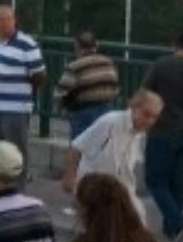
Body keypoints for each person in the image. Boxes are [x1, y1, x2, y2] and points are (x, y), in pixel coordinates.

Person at [61, 90, 161, 220]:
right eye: (146, 114)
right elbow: (77, 146)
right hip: (97, 189)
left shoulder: (139, 133)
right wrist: (69, 177)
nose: (150, 121)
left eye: (155, 117)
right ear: (133, 107)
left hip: (120, 191)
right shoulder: (110, 123)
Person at [0, 4, 45, 171]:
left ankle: (17, 186)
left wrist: (20, 90)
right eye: (1, 20)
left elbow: (39, 76)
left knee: (15, 149)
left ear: (15, 21)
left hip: (15, 108)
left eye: (9, 19)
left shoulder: (27, 44)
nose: (6, 23)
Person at [142, 24, 183, 242]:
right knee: (179, 180)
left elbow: (145, 91)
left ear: (176, 45)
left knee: (155, 180)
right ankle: (172, 230)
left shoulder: (161, 65)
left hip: (161, 129)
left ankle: (177, 222)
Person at [56, 32, 119, 138]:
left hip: (84, 111)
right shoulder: (108, 63)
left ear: (77, 46)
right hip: (107, 109)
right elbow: (115, 86)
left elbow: (61, 92)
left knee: (80, 148)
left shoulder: (75, 66)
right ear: (96, 45)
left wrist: (61, 108)